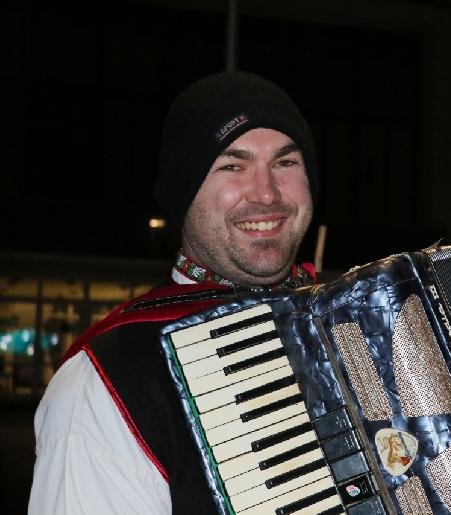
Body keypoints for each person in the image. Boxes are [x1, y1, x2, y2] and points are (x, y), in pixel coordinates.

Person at [28, 71, 320, 514]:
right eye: (232, 166)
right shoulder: (107, 381)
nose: (266, 192)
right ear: (185, 193)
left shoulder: (347, 321)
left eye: (285, 163)